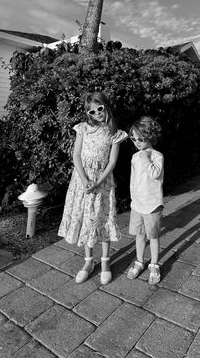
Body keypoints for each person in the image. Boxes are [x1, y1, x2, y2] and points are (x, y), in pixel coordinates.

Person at [58, 92, 127, 285]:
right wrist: (84, 179)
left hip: (103, 182)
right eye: (92, 111)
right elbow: (76, 156)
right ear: (88, 113)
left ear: (106, 106)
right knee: (84, 218)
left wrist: (98, 181)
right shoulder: (83, 129)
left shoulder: (115, 132)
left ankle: (105, 262)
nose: (97, 113)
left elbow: (112, 161)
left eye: (100, 108)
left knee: (103, 218)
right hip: (81, 181)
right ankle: (88, 262)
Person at [127, 116, 164, 284]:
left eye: (140, 138)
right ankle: (140, 261)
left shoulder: (157, 156)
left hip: (152, 204)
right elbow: (133, 180)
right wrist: (133, 197)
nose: (136, 142)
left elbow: (154, 174)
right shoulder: (135, 157)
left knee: (153, 236)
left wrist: (145, 158)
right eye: (133, 138)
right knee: (139, 235)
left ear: (150, 136)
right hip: (137, 204)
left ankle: (154, 264)